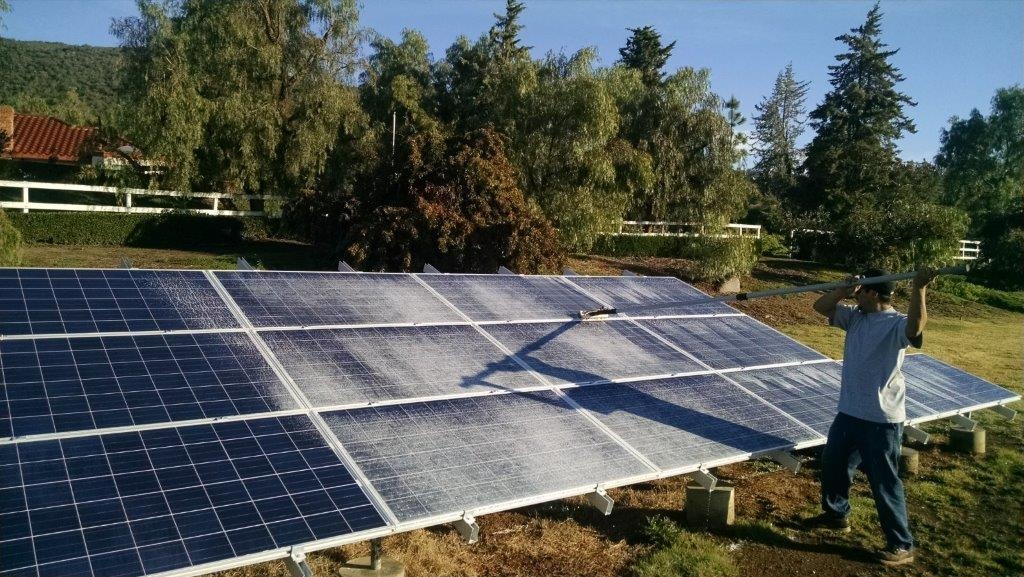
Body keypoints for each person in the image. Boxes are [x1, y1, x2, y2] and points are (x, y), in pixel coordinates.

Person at [803, 266, 937, 566]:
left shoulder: (896, 323)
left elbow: (915, 328)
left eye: (862, 289)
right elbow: (819, 307)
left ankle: (901, 545)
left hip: (881, 419)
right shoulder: (855, 317)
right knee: (833, 463)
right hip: (849, 411)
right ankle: (836, 515)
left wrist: (920, 288)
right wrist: (843, 290)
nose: (858, 294)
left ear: (873, 292)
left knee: (884, 481)